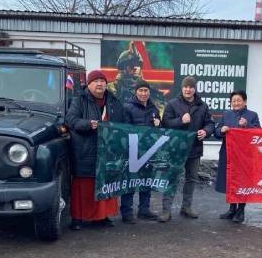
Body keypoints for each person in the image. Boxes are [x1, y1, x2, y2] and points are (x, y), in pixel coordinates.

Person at [66, 69, 124, 230]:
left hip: (107, 152)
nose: (100, 84)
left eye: (102, 81)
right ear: (89, 84)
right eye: (96, 81)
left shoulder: (114, 101)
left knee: (104, 184)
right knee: (84, 187)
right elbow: (71, 120)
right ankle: (78, 218)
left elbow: (122, 123)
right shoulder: (79, 100)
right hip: (85, 151)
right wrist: (87, 124)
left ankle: (101, 217)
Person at [159, 76, 215, 222]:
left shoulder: (202, 106)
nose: (188, 89)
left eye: (191, 87)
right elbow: (165, 124)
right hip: (176, 149)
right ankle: (166, 210)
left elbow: (210, 123)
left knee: (191, 179)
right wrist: (180, 121)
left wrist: (206, 131)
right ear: (182, 88)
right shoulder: (172, 104)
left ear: (194, 89)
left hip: (194, 149)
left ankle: (186, 207)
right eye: (185, 87)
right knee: (172, 178)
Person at [214, 90, 260, 223]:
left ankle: (241, 210)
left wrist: (247, 125)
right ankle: (232, 208)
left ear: (244, 101)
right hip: (228, 153)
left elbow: (259, 133)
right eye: (233, 101)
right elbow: (217, 132)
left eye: (239, 100)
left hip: (245, 155)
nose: (236, 103)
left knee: (243, 181)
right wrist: (221, 130)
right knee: (230, 180)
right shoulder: (226, 114)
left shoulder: (252, 115)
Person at [120, 79, 162, 224]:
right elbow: (125, 129)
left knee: (147, 181)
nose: (143, 93)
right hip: (132, 151)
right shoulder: (127, 107)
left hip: (149, 151)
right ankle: (126, 212)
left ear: (149, 92)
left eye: (146, 91)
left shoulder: (154, 109)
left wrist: (159, 124)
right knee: (130, 181)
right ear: (136, 92)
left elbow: (158, 132)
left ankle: (144, 210)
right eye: (141, 90)